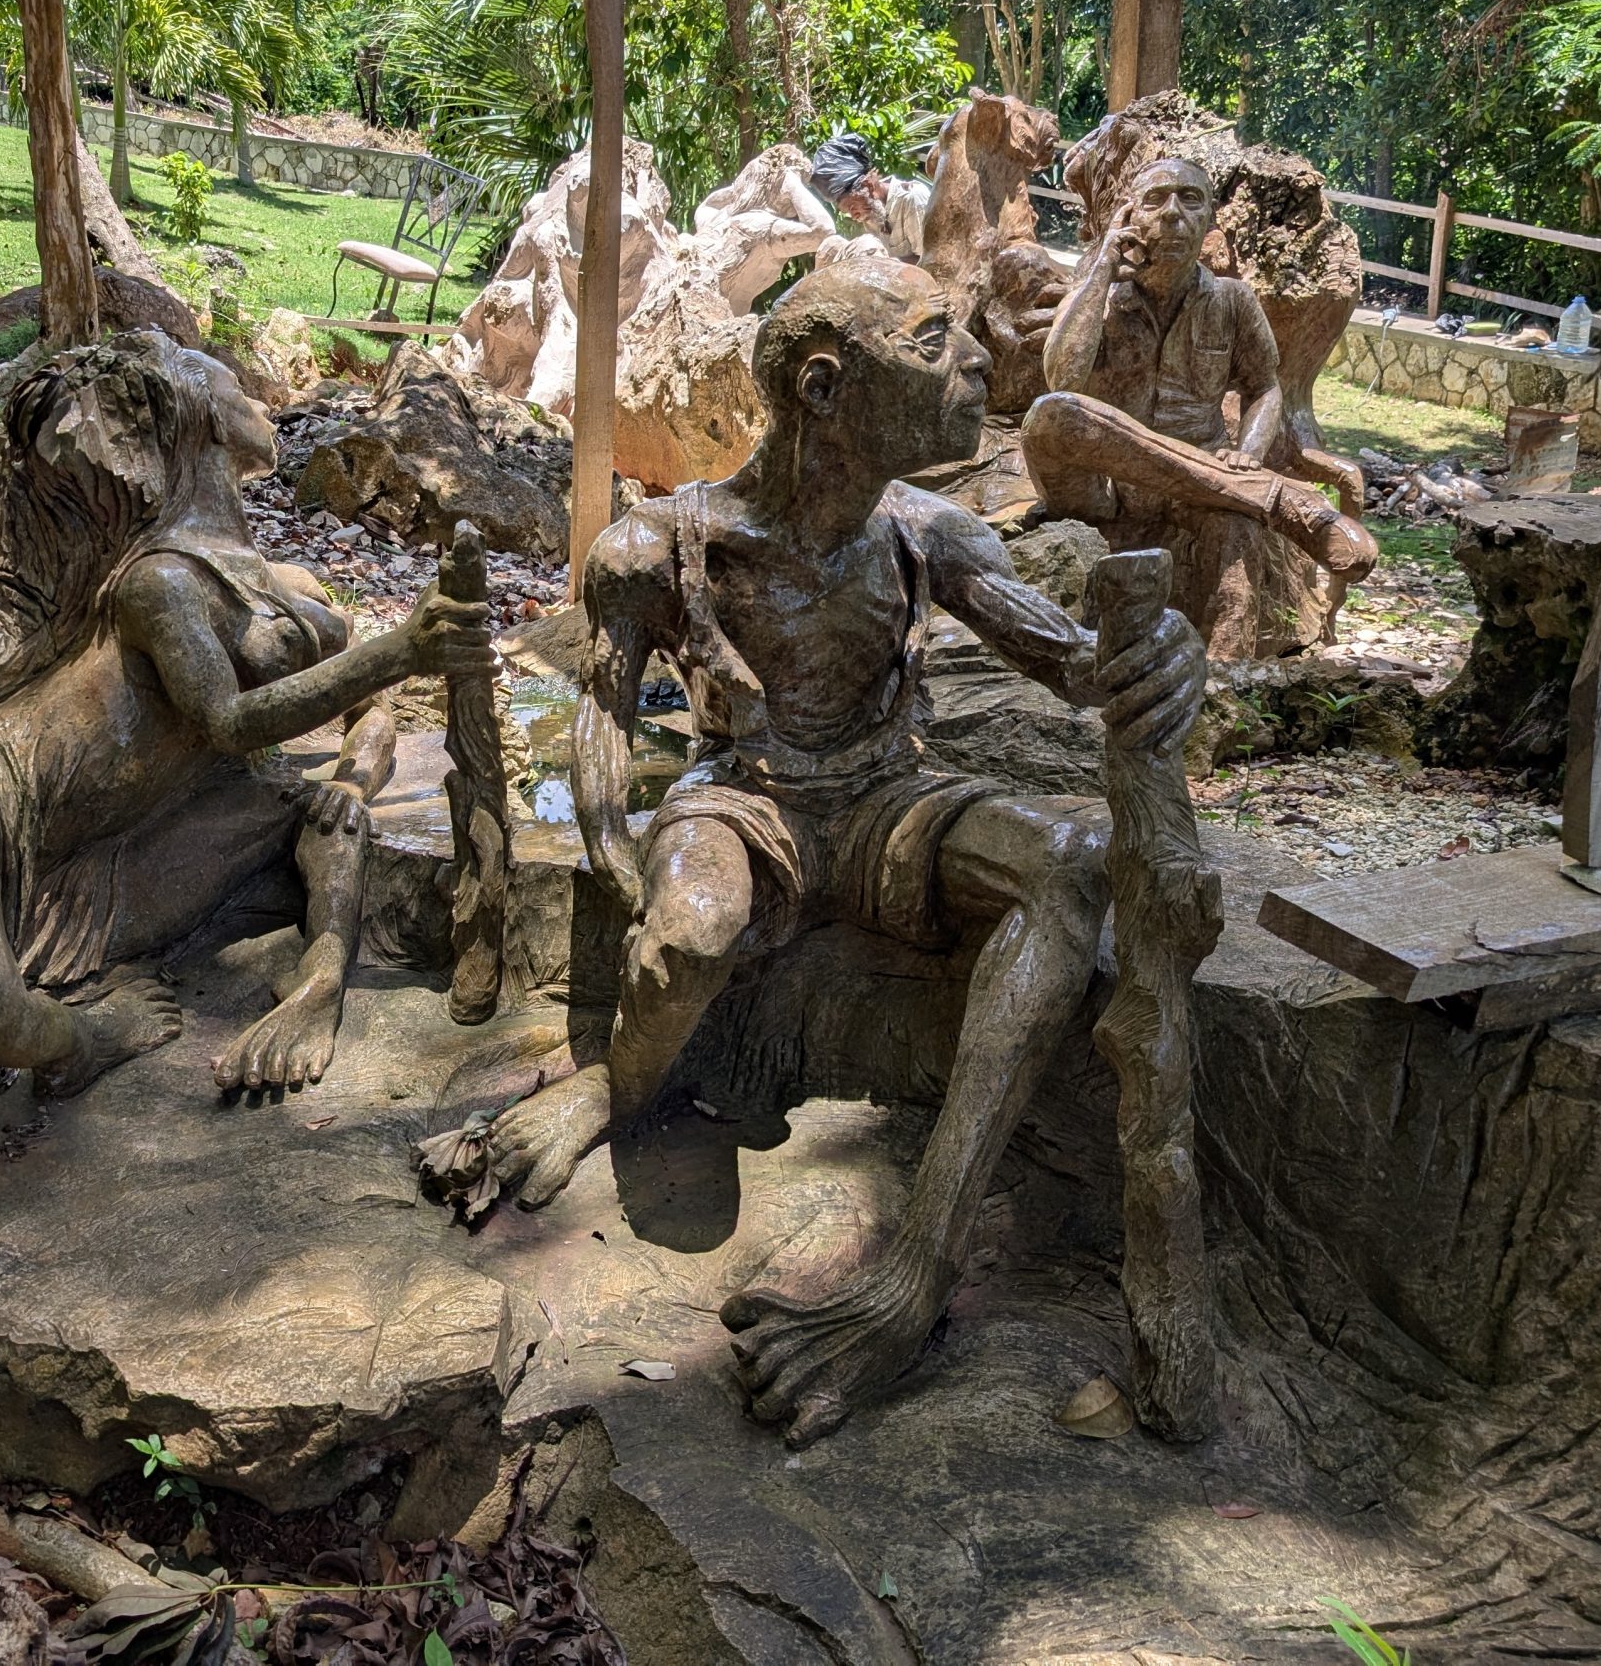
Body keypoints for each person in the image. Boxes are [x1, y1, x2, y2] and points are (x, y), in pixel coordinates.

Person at [480, 258, 1205, 1448]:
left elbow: (1072, 660)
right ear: (824, 386)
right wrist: (629, 874)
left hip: (885, 801)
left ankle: (911, 1271)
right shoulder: (657, 545)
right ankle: (617, 1084)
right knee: (690, 938)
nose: (975, 363)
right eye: (934, 344)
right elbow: (603, 731)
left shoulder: (932, 531)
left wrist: (1152, 657)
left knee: (1073, 853)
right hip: (746, 801)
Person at [0, 333, 492, 1096]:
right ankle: (82, 1040)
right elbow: (228, 721)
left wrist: (354, 781)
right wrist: (401, 649)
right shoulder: (159, 582)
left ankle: (305, 985)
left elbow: (371, 706)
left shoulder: (281, 580)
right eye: (236, 386)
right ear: (199, 419)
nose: (258, 400)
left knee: (307, 822)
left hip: (88, 855)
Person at [1023, 157, 1375, 655]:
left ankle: (1224, 680)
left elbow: (1265, 388)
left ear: (1210, 219)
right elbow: (1061, 380)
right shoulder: (1097, 292)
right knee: (1052, 414)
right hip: (1105, 487)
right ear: (1130, 218)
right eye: (1155, 199)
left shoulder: (1232, 299)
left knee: (1236, 536)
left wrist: (1249, 451)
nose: (1172, 214)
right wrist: (1102, 267)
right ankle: (1272, 498)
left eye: (1190, 200)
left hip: (1201, 486)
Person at [806, 130, 926, 261]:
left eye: (852, 207)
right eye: (848, 212)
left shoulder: (912, 199)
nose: (854, 216)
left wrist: (882, 265)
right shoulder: (872, 213)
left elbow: (930, 263)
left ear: (868, 185)